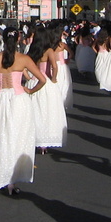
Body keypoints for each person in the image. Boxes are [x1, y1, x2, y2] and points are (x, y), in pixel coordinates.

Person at [0, 27, 46, 195]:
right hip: (18, 99)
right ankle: (12, 179)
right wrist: (29, 90)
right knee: (18, 137)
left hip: (0, 99)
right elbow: (42, 80)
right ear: (18, 39)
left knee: (0, 136)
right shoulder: (23, 59)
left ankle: (1, 174)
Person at [27, 26, 66, 154]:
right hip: (46, 81)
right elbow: (54, 67)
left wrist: (29, 77)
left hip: (34, 80)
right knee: (48, 111)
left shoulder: (32, 49)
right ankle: (44, 142)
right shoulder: (48, 50)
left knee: (34, 110)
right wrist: (53, 79)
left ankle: (34, 139)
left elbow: (24, 67)